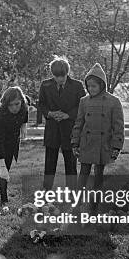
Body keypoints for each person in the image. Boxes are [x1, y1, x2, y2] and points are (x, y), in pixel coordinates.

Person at [71, 63, 125, 215]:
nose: (91, 89)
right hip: (87, 144)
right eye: (88, 86)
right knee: (83, 176)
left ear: (102, 85)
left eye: (94, 86)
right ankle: (77, 205)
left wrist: (116, 147)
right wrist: (75, 142)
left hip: (103, 145)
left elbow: (118, 126)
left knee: (98, 177)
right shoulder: (84, 101)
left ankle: (94, 207)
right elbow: (79, 123)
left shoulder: (113, 102)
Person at [37, 57, 86, 190]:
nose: (60, 79)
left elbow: (82, 106)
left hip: (70, 130)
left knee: (71, 164)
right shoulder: (45, 85)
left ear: (67, 72)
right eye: (56, 76)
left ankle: (72, 193)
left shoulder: (77, 85)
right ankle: (47, 191)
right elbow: (41, 104)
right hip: (52, 129)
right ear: (52, 74)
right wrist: (50, 114)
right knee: (49, 164)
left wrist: (68, 115)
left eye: (62, 76)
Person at [0, 87, 29, 204]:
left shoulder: (23, 107)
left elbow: (26, 110)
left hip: (12, 140)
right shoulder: (0, 116)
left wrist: (24, 124)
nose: (15, 108)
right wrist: (2, 166)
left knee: (5, 162)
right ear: (5, 104)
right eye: (11, 105)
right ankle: (4, 199)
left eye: (17, 104)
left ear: (21, 101)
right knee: (0, 162)